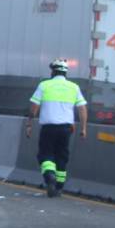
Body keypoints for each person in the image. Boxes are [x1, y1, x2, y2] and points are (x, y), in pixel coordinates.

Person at [25, 58, 88, 198]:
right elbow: (82, 109)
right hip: (66, 129)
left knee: (45, 154)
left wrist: (29, 123)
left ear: (53, 71)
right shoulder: (74, 87)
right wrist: (83, 128)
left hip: (49, 127)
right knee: (62, 156)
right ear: (65, 73)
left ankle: (50, 177)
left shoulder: (44, 85)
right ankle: (59, 186)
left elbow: (34, 107)